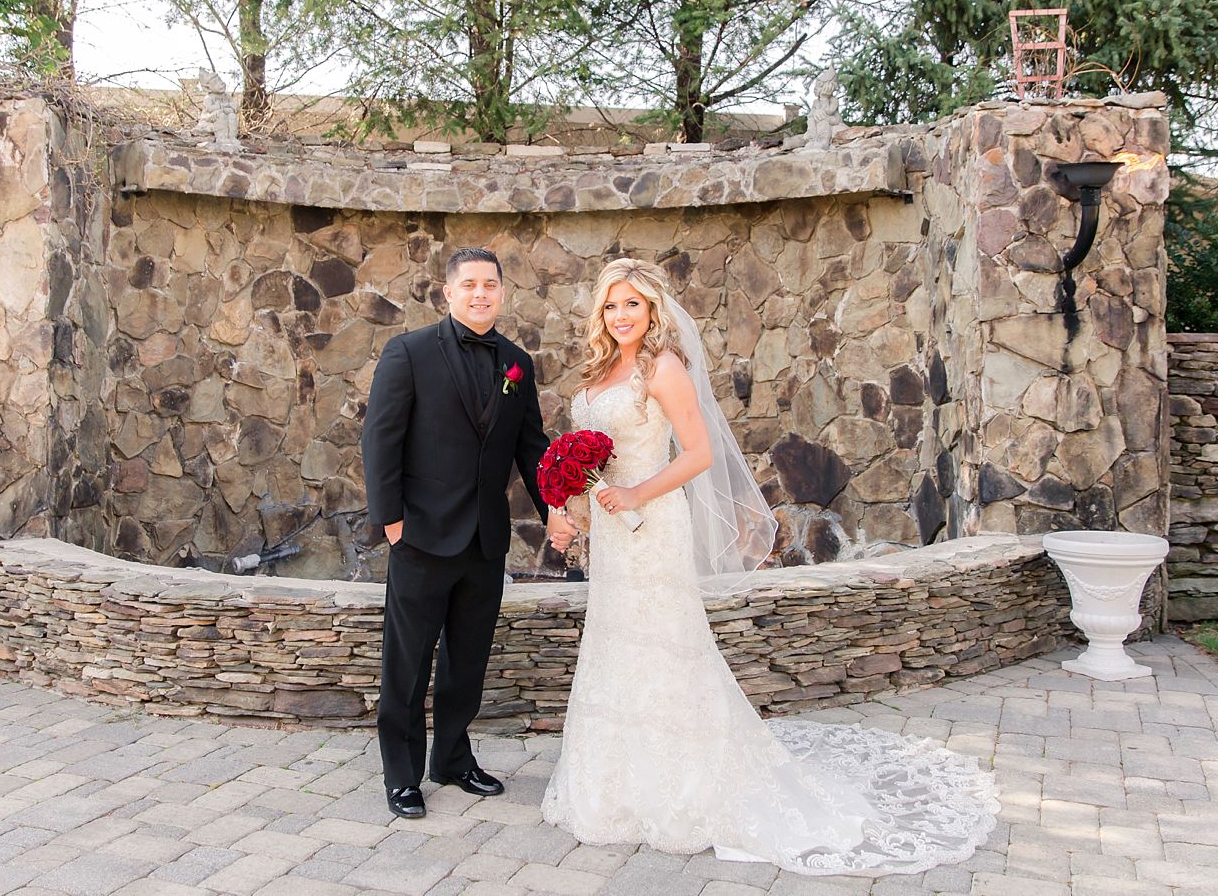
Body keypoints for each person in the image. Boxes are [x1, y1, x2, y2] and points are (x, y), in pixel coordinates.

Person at [541, 258, 998, 874]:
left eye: (633, 304)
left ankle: (682, 786)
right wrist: (576, 504)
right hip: (615, 533)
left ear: (653, 310)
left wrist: (636, 494)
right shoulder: (600, 372)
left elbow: (699, 453)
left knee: (665, 643)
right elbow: (595, 461)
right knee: (616, 643)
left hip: (652, 526)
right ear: (601, 313)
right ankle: (614, 787)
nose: (621, 315)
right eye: (611, 305)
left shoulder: (662, 367)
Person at [362, 246, 574, 820]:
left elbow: (531, 446)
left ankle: (452, 759)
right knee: (406, 664)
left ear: (502, 293)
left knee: (467, 662)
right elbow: (380, 439)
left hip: (485, 538)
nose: (481, 293)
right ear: (448, 292)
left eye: (491, 285)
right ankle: (402, 775)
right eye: (470, 285)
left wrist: (554, 504)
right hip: (421, 535)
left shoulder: (516, 364)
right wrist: (391, 521)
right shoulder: (407, 353)